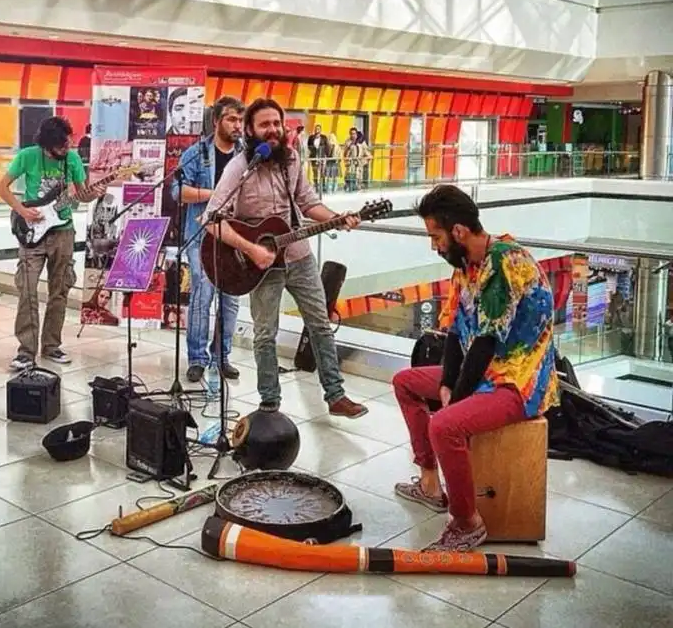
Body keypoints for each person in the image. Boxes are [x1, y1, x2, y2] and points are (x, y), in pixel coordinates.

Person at [391, 184, 559, 552]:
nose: (433, 246)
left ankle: (467, 522)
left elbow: (486, 342)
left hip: (517, 382)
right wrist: (448, 382)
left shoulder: (504, 262)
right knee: (405, 383)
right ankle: (430, 484)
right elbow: (455, 330)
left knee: (444, 425)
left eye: (435, 236)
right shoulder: (467, 267)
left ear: (458, 232)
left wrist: (455, 399)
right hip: (483, 372)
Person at [203, 97, 368, 419]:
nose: (273, 130)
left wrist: (337, 217)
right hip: (260, 266)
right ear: (250, 130)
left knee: (320, 324)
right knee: (265, 334)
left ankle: (335, 395)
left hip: (299, 257)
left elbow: (308, 203)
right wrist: (252, 250)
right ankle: (270, 404)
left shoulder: (291, 159)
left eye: (277, 123)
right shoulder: (239, 168)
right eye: (265, 125)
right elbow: (211, 220)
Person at [0, 116, 105, 370]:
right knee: (27, 290)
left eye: (68, 144)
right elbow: (2, 188)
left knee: (60, 291)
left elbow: (83, 195)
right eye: (61, 146)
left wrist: (94, 193)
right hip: (32, 232)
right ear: (47, 145)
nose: (66, 149)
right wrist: (22, 211)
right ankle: (26, 351)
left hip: (63, 232)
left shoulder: (73, 159)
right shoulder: (28, 156)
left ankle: (51, 346)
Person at [173, 95, 245, 383]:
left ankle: (222, 356)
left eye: (240, 120)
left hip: (237, 237)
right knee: (202, 296)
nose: (237, 125)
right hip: (201, 236)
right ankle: (197, 358)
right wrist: (215, 194)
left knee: (231, 299)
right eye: (231, 119)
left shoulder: (247, 156)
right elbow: (179, 192)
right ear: (217, 121)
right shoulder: (195, 153)